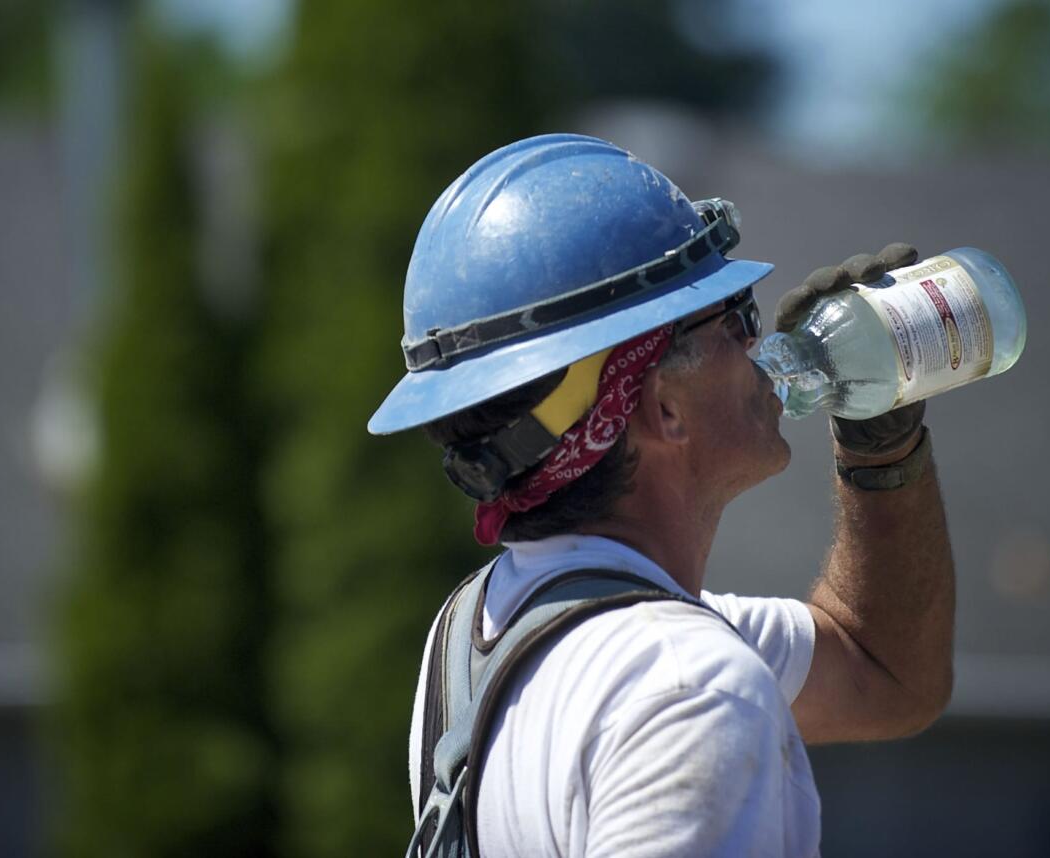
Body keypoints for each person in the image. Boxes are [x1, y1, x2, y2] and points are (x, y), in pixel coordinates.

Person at [369, 134, 954, 857]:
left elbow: (887, 673)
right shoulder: (690, 687)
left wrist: (883, 451)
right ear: (663, 407)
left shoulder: (479, 629)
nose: (756, 341)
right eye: (732, 314)